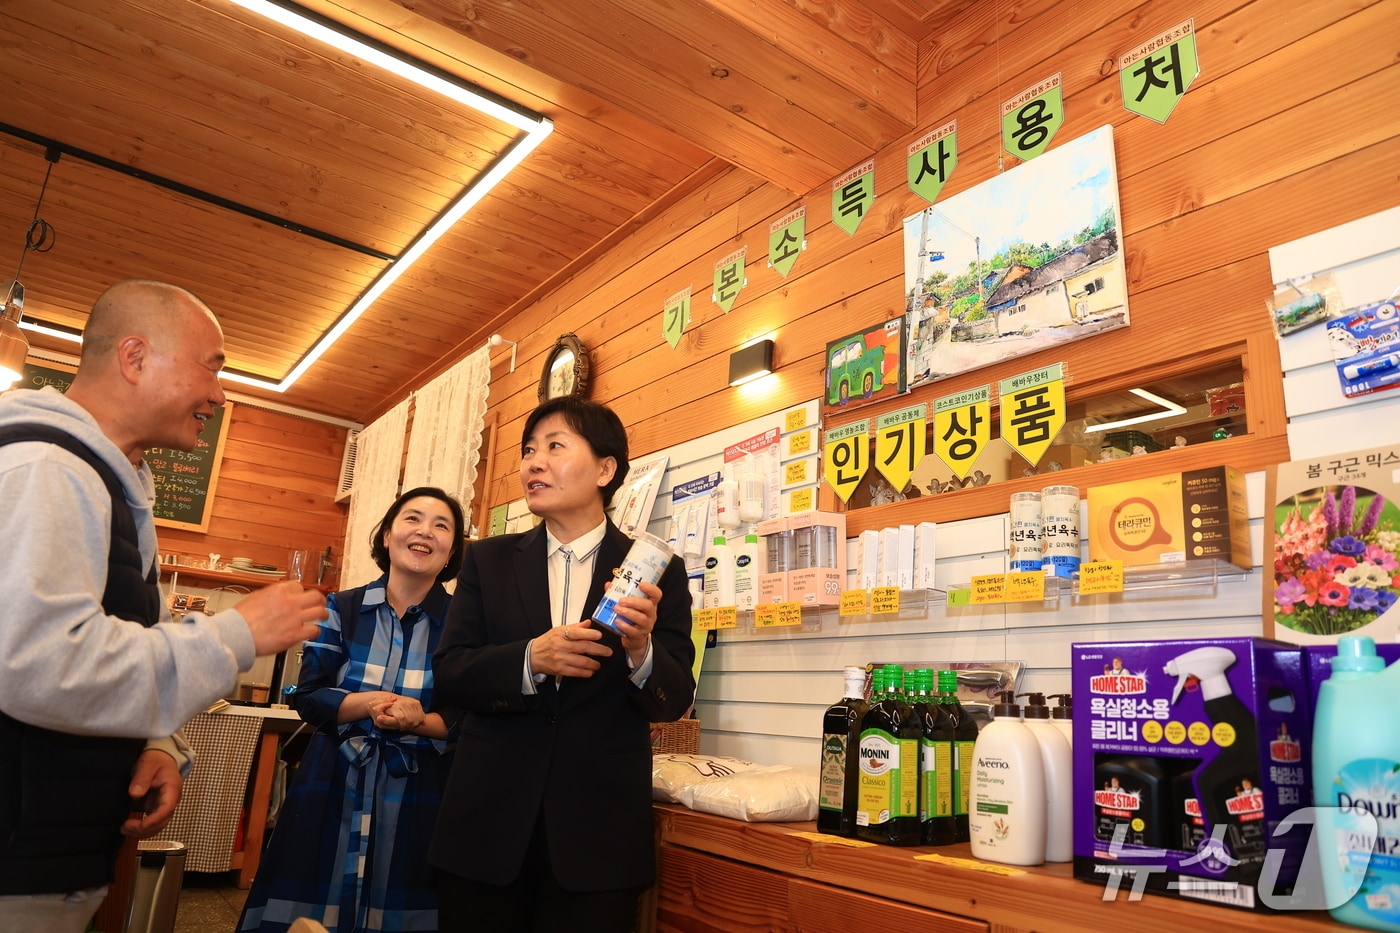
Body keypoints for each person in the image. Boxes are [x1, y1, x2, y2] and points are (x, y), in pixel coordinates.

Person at [0, 279, 326, 931]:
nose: (219, 394)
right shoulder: (45, 469)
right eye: (211, 366)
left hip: (55, 852)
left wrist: (153, 741)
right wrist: (236, 633)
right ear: (135, 357)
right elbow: (36, 661)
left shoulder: (107, 481)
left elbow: (100, 636)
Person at [430, 397, 695, 932]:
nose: (533, 462)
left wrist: (641, 650)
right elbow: (452, 670)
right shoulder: (489, 559)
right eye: (528, 451)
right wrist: (531, 659)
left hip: (597, 836)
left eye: (554, 446)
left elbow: (675, 699)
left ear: (605, 469)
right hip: (487, 824)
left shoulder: (654, 571)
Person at [239, 486, 466, 932]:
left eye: (442, 526)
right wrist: (370, 703)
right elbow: (308, 696)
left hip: (420, 794)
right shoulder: (340, 608)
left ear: (452, 551)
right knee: (308, 911)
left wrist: (418, 718)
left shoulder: (463, 625)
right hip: (332, 781)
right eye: (413, 519)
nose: (425, 531)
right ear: (387, 536)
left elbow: (467, 716)